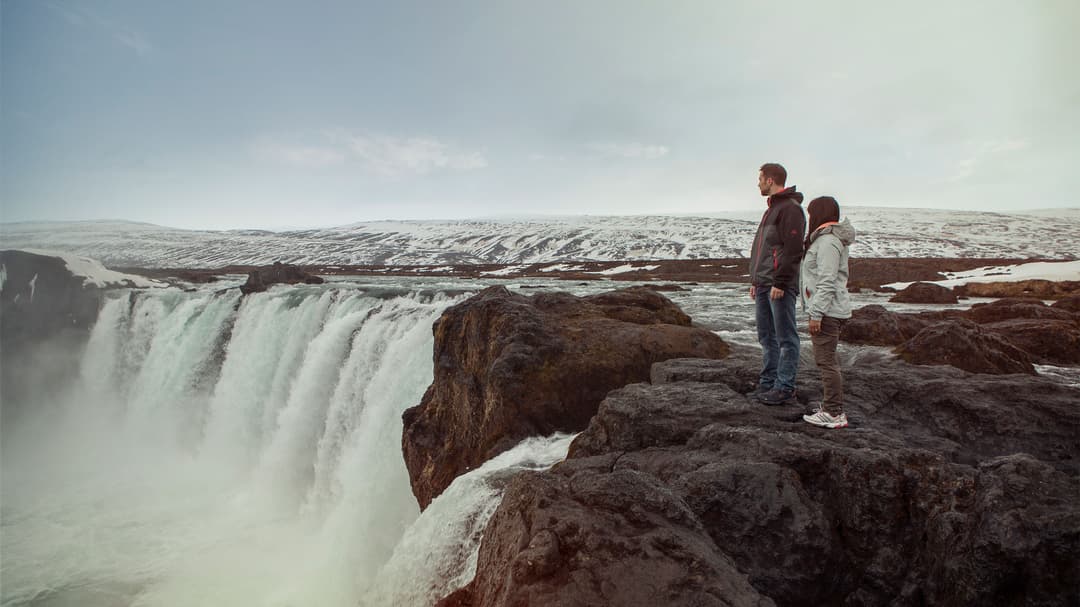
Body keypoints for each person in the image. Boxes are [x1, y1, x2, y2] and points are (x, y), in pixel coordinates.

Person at [749, 163, 806, 405]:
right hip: (764, 283)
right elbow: (766, 250)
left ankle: (785, 386)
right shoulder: (772, 209)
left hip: (778, 284)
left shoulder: (790, 209)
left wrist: (780, 282)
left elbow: (793, 250)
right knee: (766, 336)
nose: (758, 183)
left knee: (785, 337)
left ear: (771, 180)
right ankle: (768, 382)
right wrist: (756, 280)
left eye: (760, 178)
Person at [799, 196, 855, 428]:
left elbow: (827, 280)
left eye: (811, 214)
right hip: (829, 310)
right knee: (827, 361)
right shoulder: (826, 240)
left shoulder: (828, 242)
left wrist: (817, 313)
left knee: (826, 362)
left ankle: (834, 413)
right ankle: (832, 408)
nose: (809, 218)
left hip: (828, 312)